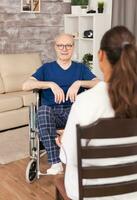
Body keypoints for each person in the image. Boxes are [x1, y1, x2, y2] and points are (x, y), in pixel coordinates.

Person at [60, 26, 137, 199]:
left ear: (101, 55)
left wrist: (63, 141)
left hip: (91, 193)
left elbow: (69, 158)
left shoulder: (86, 101)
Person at [22, 33, 99, 175]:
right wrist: (50, 84)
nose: (64, 49)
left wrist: (79, 82)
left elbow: (99, 83)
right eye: (60, 45)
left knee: (89, 112)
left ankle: (64, 137)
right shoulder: (46, 68)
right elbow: (26, 85)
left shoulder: (80, 68)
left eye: (68, 45)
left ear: (73, 47)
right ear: (55, 47)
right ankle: (56, 162)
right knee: (43, 111)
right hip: (51, 114)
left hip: (73, 112)